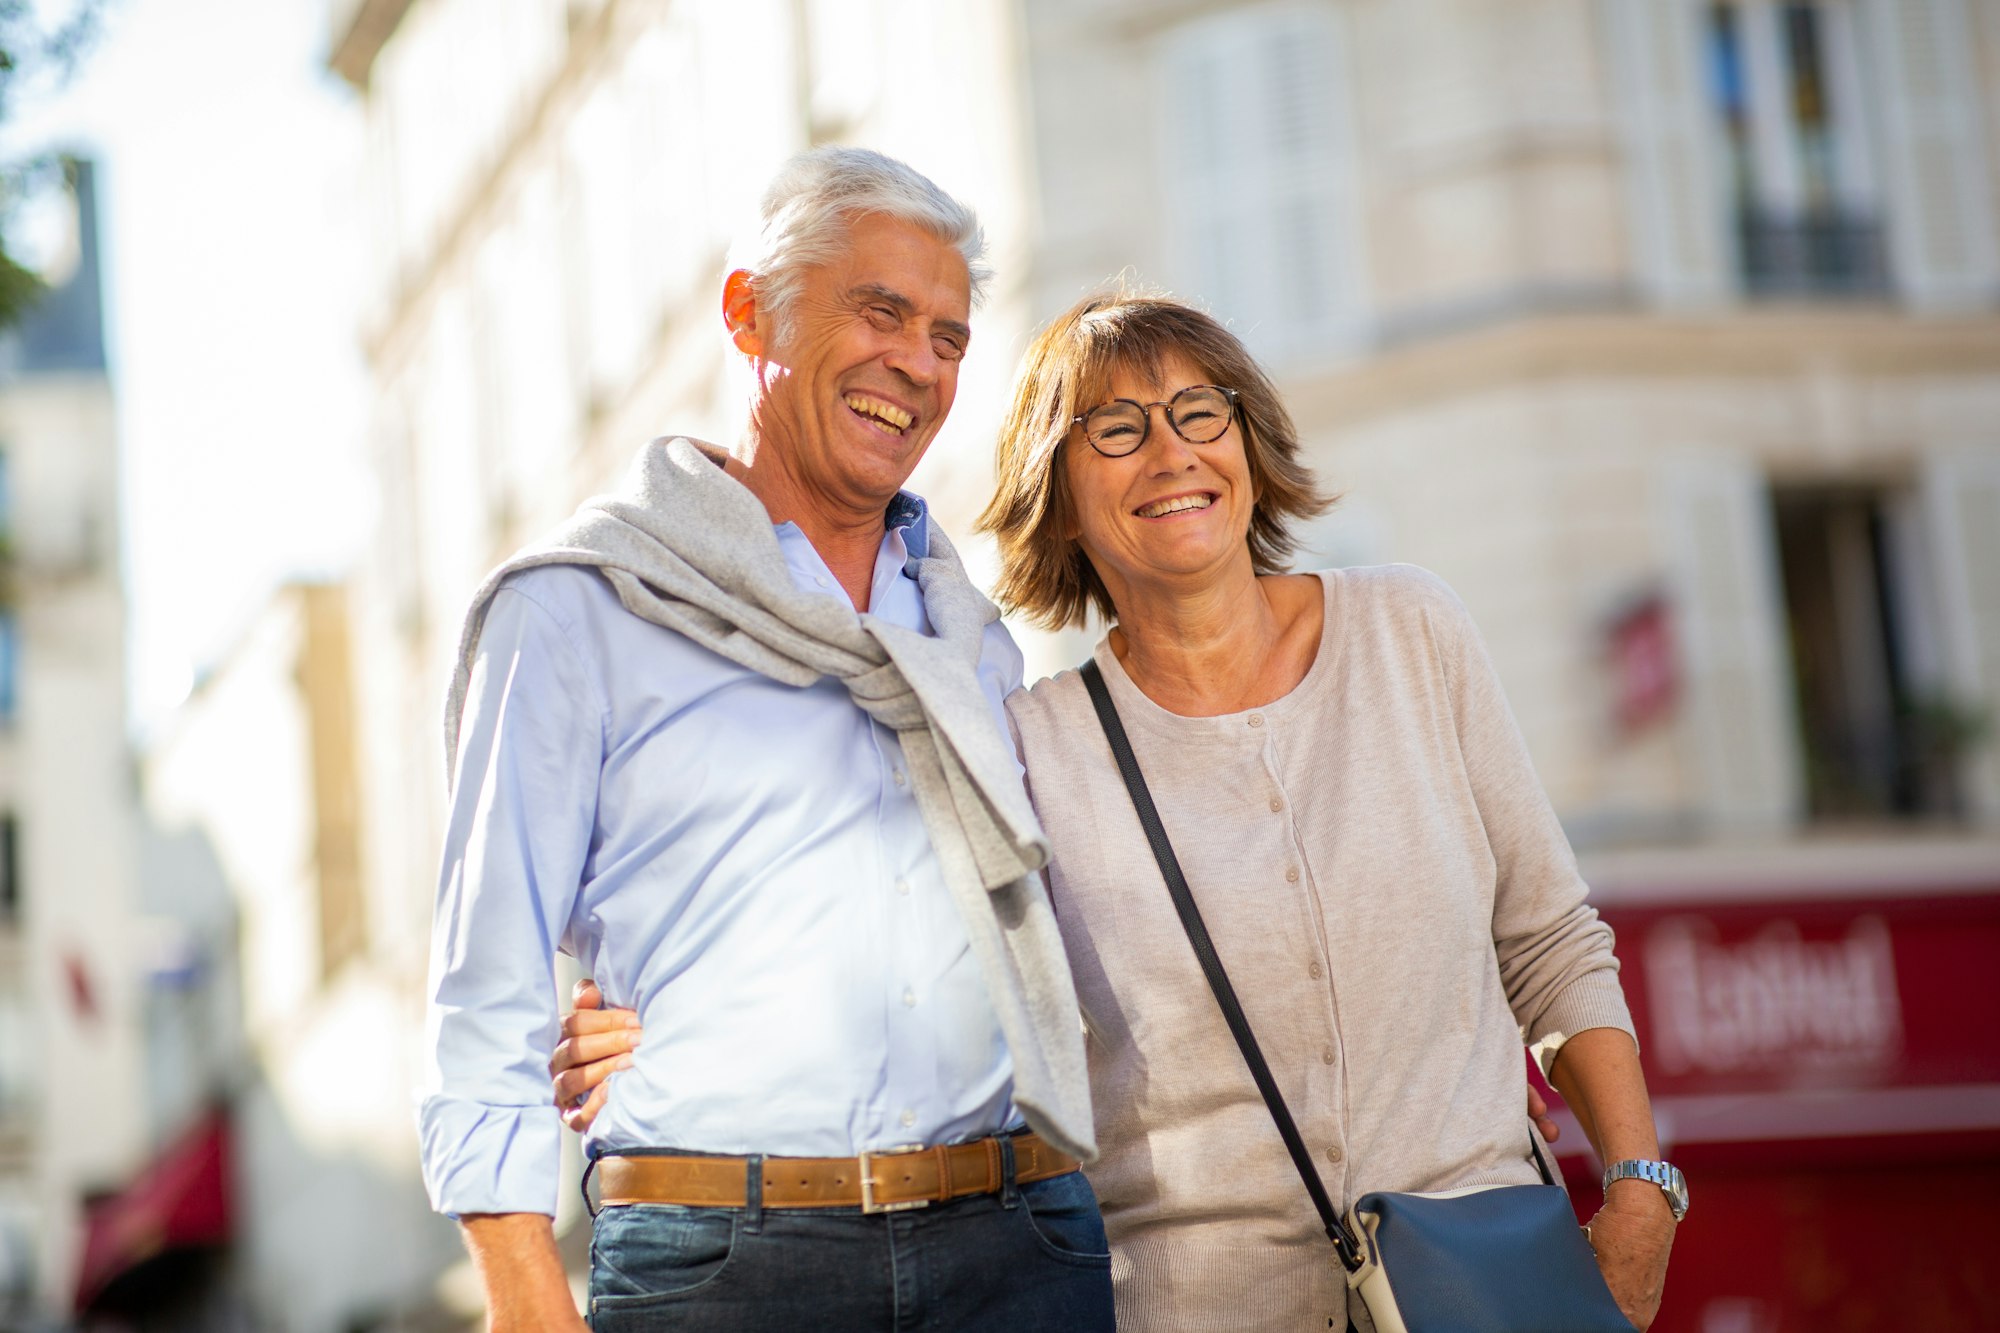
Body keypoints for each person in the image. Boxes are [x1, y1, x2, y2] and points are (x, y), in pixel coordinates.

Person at [559, 291, 1682, 1331]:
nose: (1171, 450)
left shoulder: (1409, 634)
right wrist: (673, 1031)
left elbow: (1547, 939)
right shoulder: (1035, 742)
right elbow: (906, 978)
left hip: (1483, 1291)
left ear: (1247, 445)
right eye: (1115, 429)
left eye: (1199, 410)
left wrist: (1638, 1188)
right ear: (1060, 496)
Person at [421, 147, 1114, 1333]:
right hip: (719, 1266)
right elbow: (486, 984)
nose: (916, 361)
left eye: (947, 336)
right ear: (751, 314)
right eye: (879, 311)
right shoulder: (580, 610)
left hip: (1015, 1245)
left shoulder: (967, 639)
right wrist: (523, 1293)